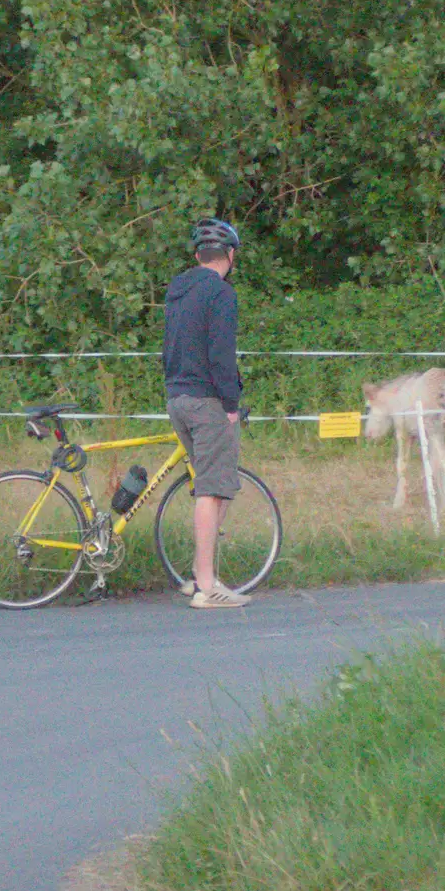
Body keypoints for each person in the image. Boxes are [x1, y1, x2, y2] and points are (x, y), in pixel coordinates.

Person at [162, 217, 249, 609]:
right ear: (229, 255)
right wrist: (230, 405)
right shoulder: (221, 294)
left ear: (198, 255)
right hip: (206, 401)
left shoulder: (177, 292)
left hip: (177, 396)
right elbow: (221, 354)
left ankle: (199, 573)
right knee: (212, 490)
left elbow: (168, 348)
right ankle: (206, 586)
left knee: (217, 482)